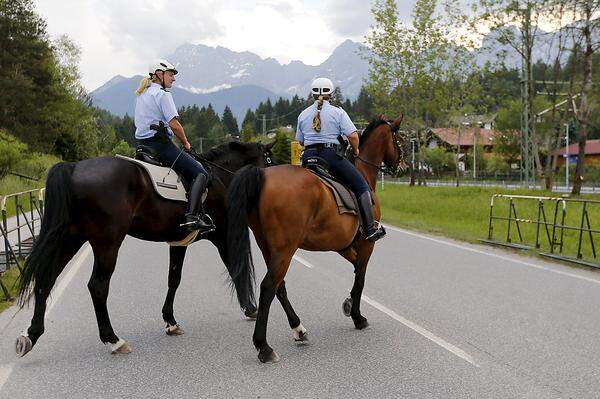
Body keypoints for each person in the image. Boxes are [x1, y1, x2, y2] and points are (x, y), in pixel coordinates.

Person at [296, 77, 386, 242]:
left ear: (313, 94)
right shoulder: (338, 112)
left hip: (308, 157)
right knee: (361, 186)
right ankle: (369, 229)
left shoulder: (303, 114)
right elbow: (352, 135)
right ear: (331, 94)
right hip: (330, 156)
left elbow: (301, 141)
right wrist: (357, 149)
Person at [134, 59, 215, 234]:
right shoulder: (163, 95)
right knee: (201, 172)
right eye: (171, 74)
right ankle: (192, 216)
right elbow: (175, 125)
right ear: (159, 74)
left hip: (142, 145)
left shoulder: (143, 94)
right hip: (161, 146)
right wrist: (186, 143)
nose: (173, 79)